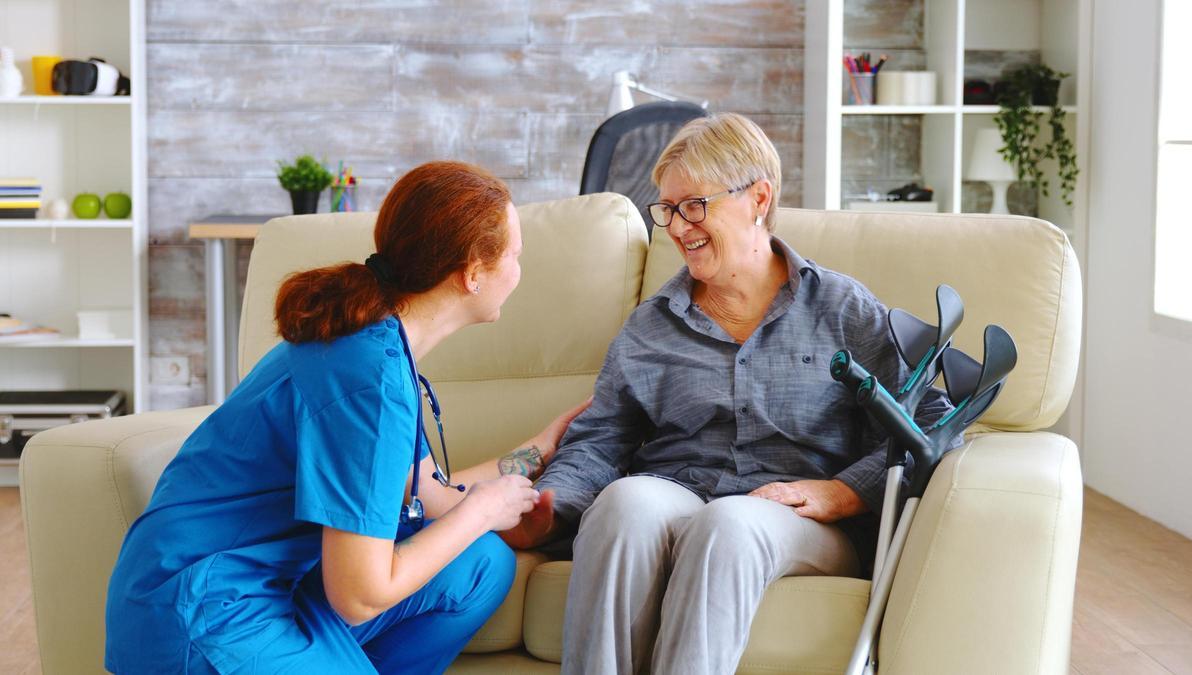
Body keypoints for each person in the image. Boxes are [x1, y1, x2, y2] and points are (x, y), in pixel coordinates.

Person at [500, 114, 958, 674]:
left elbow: (928, 418)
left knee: (729, 523)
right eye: (667, 209)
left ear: (758, 198)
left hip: (802, 522)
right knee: (623, 503)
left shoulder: (841, 309)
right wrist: (552, 507)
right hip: (679, 490)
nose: (677, 228)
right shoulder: (651, 327)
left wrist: (842, 492)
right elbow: (600, 440)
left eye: (694, 206)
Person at [105, 161, 588, 674]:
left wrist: (538, 449)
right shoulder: (370, 380)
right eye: (515, 255)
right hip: (205, 606)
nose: (518, 270)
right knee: (471, 538)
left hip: (274, 584)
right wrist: (482, 513)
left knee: (482, 563)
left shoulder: (377, 344)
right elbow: (360, 596)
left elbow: (429, 492)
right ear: (472, 273)